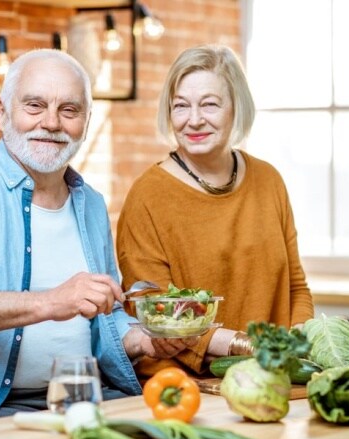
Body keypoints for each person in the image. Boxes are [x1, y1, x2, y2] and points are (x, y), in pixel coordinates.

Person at [0, 49, 193, 432]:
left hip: (84, 401)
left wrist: (143, 342)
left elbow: (105, 317)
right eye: (34, 105)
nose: (51, 123)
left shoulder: (91, 204)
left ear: (86, 122)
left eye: (69, 110)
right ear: (2, 113)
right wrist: (50, 302)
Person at [116, 44, 314, 383]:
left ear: (236, 108)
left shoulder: (268, 180)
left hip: (272, 376)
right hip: (184, 384)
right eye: (181, 106)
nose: (194, 120)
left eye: (209, 104)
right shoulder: (147, 196)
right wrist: (250, 346)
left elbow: (295, 286)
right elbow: (157, 315)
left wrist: (297, 346)